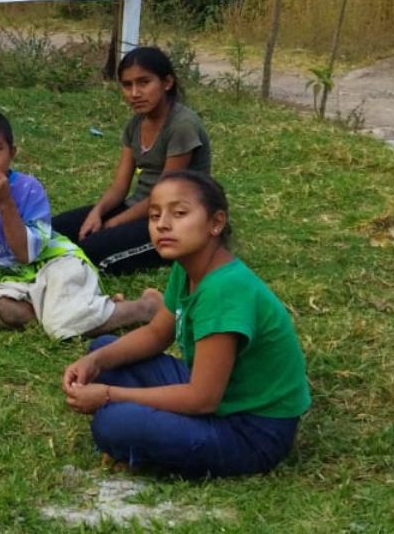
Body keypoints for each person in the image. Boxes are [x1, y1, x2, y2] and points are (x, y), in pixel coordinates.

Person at [61, 170, 309, 477]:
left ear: (216, 223)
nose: (162, 224)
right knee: (105, 352)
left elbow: (203, 398)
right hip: (217, 393)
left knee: (112, 423)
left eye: (179, 213)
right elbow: (156, 334)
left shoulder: (224, 290)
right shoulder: (188, 267)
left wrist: (109, 395)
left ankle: (157, 434)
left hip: (252, 430)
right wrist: (94, 361)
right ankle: (152, 419)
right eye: (154, 215)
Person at [0, 111, 160, 337]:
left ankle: (143, 308)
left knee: (58, 327)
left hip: (57, 264)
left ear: (12, 153)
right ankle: (86, 310)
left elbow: (24, 254)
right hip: (17, 279)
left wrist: (5, 203)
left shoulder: (29, 188)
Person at [52, 46, 211, 274]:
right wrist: (97, 213)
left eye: (144, 82)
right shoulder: (135, 124)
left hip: (173, 217)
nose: (135, 93)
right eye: (127, 85)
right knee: (52, 230)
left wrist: (114, 224)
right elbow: (120, 185)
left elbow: (165, 196)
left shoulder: (182, 126)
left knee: (89, 252)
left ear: (167, 83)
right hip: (138, 206)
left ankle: (173, 250)